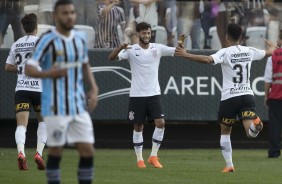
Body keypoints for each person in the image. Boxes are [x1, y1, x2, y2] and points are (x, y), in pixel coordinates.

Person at [175, 23, 278, 172]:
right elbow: (269, 52)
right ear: (241, 36)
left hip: (230, 97)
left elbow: (207, 60)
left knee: (225, 131)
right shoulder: (249, 50)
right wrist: (273, 46)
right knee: (250, 133)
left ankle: (229, 165)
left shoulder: (225, 52)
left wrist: (186, 54)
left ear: (226, 37)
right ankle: (256, 126)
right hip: (247, 95)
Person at [25, 0, 99, 183]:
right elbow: (29, 68)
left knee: (88, 150)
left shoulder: (80, 38)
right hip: (55, 105)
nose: (70, 16)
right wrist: (50, 72)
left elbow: (84, 64)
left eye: (72, 12)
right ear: (56, 16)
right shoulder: (48, 39)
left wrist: (94, 88)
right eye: (65, 13)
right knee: (56, 152)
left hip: (78, 104)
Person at [108, 22, 178, 169]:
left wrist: (181, 44)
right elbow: (111, 58)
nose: (147, 35)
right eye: (144, 33)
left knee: (161, 123)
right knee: (138, 126)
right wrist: (120, 47)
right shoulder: (131, 50)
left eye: (148, 33)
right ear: (138, 34)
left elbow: (177, 51)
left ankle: (153, 156)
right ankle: (139, 159)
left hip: (154, 94)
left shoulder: (157, 48)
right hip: (137, 95)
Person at [4, 13, 47, 171]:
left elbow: (7, 67)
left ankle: (21, 153)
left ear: (23, 27)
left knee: (21, 125)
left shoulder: (16, 44)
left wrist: (21, 68)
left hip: (22, 88)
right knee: (43, 122)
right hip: (39, 89)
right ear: (36, 27)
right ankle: (39, 153)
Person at [264, 30, 282, 158]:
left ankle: (274, 152)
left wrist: (266, 96)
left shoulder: (274, 54)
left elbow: (268, 79)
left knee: (275, 125)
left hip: (276, 96)